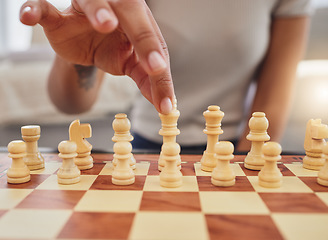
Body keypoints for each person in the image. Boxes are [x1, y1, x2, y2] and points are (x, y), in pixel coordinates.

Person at [20, 0, 312, 153]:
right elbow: (72, 104)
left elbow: (271, 105)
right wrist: (79, 52)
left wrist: (246, 166)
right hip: (145, 145)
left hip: (235, 149)